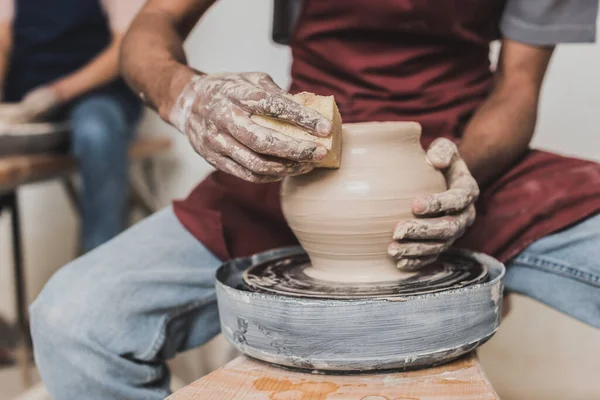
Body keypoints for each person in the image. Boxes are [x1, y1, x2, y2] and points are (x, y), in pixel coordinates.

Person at [31, 0, 600, 398]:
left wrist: (464, 173)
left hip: (464, 157)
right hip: (292, 164)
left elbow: (518, 87)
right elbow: (153, 22)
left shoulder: (466, 166)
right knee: (73, 321)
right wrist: (187, 96)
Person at [0, 0, 144, 252]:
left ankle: (98, 264)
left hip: (99, 93)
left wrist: (57, 93)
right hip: (26, 100)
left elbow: (126, 46)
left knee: (96, 131)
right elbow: (2, 40)